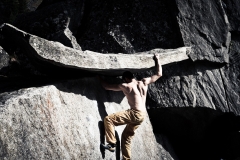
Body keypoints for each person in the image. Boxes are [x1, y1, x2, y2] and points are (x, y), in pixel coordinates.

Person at [99, 54, 162, 160]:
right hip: (142, 116)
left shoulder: (126, 86)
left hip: (134, 113)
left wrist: (98, 77)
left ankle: (111, 144)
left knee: (108, 119)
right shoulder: (144, 82)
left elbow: (106, 86)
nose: (123, 81)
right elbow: (159, 74)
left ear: (126, 78)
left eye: (123, 79)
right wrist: (157, 59)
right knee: (126, 137)